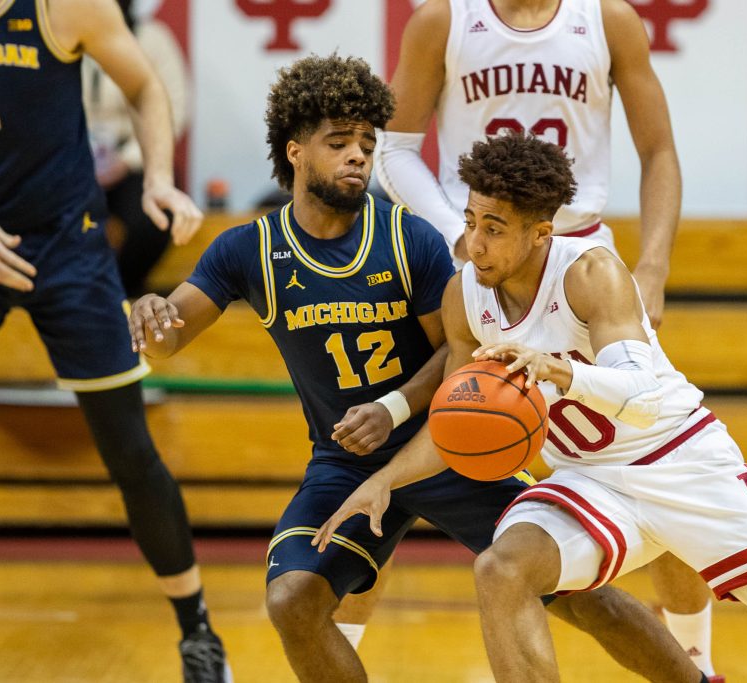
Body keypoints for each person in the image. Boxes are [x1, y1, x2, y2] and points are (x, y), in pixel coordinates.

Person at [129, 53, 712, 683]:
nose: (358, 156)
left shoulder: (409, 237)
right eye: (339, 142)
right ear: (295, 151)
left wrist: (394, 408)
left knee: (584, 599)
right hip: (347, 462)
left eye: (367, 143)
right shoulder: (249, 249)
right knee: (292, 600)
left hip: (453, 442)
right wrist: (151, 313)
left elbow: (457, 354)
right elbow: (166, 339)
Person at [316, 132, 747, 683]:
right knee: (502, 569)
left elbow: (643, 397)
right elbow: (458, 420)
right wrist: (385, 480)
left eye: (494, 229)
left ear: (541, 233)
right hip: (591, 480)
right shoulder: (465, 297)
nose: (473, 243)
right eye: (472, 221)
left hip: (680, 462)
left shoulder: (591, 275)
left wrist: (562, 371)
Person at [376, 0, 720, 674]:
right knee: (432, 450)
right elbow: (394, 148)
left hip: (581, 258)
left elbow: (658, 151)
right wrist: (458, 229)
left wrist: (653, 265)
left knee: (657, 457)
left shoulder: (608, 19)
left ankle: (699, 660)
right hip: (485, 261)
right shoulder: (442, 19)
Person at [0, 1, 226, 682]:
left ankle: (197, 631)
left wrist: (158, 178)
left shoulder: (62, 6)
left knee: (130, 452)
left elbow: (146, 84)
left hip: (70, 247)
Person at [83, 0, 190, 296]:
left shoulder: (152, 39)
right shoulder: (63, 37)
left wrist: (126, 159)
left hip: (132, 158)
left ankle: (118, 290)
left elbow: (173, 109)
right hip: (73, 157)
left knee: (156, 215)